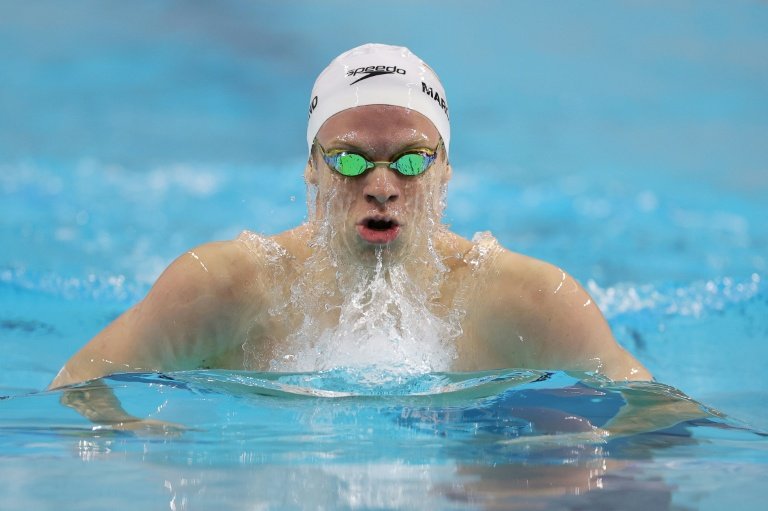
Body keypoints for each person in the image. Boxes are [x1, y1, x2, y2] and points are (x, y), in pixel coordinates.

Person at [49, 43, 651, 393]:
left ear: (446, 170)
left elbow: (658, 426)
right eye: (349, 159)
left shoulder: (533, 303)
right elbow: (73, 396)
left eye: (412, 160)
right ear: (310, 167)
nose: (382, 187)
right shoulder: (220, 291)